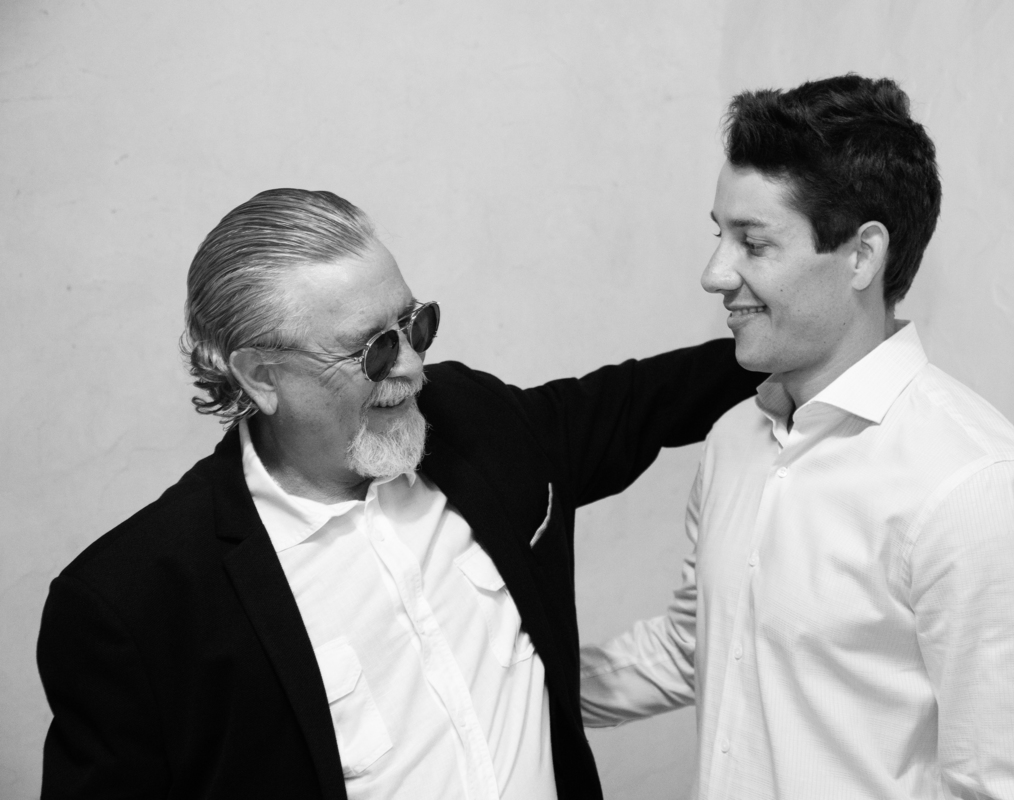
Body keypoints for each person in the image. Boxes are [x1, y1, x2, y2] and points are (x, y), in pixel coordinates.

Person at [36, 188, 760, 800]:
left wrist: (800, 340)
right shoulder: (133, 603)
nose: (413, 367)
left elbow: (644, 401)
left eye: (415, 326)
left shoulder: (475, 422)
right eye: (374, 350)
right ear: (261, 376)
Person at [579, 75, 1014, 799]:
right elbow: (701, 642)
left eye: (753, 242)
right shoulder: (734, 439)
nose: (714, 274)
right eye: (720, 235)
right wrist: (498, 678)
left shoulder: (977, 490)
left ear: (861, 255)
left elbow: (1013, 787)